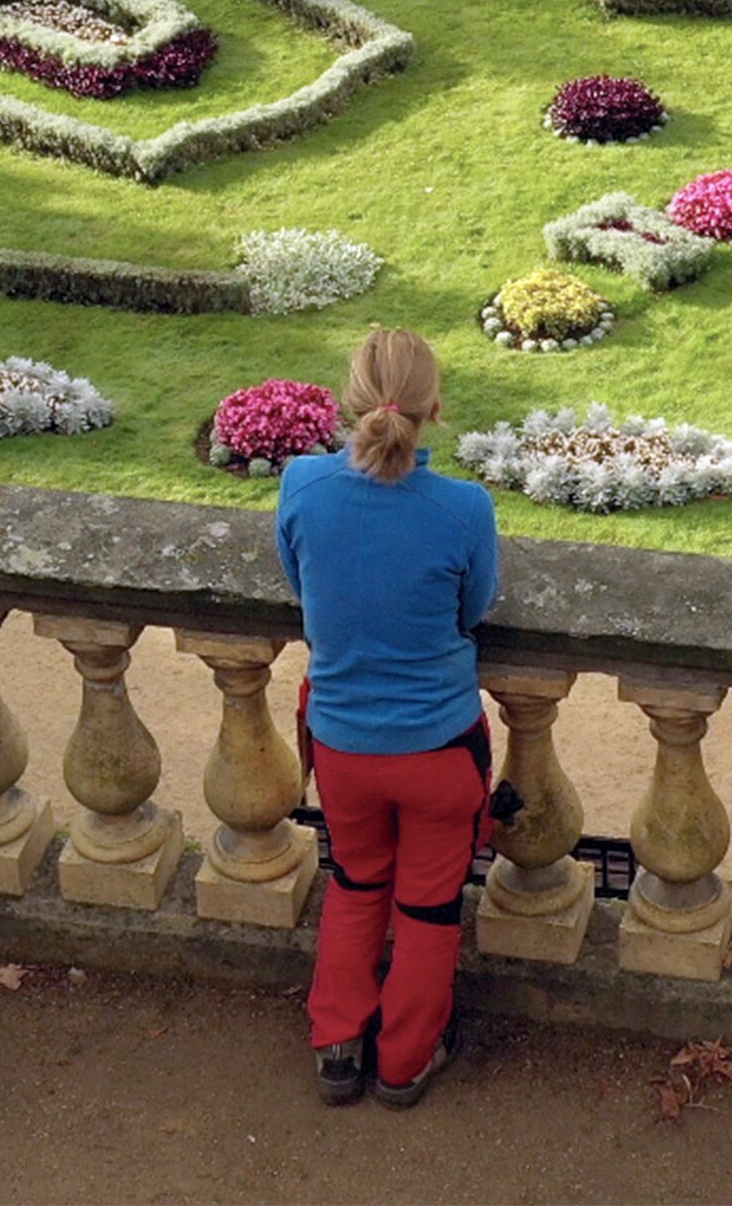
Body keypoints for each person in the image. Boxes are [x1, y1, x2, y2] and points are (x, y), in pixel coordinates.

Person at [275, 328, 500, 1110]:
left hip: (342, 742)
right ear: (434, 405)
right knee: (429, 908)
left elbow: (302, 588)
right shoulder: (464, 507)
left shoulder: (302, 485)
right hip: (439, 748)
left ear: (350, 400)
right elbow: (472, 611)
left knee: (355, 883)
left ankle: (338, 1046)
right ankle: (403, 1062)